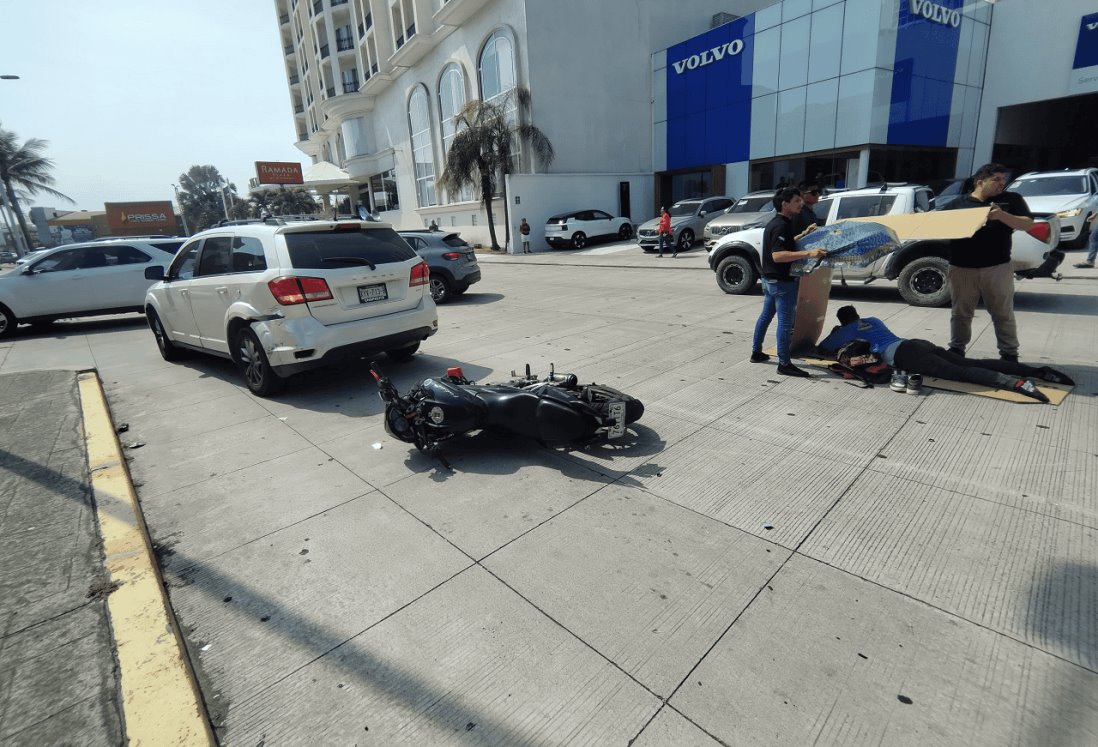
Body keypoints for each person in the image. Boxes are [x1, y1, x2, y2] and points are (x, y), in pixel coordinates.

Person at [817, 305, 1072, 402]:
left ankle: (1016, 383)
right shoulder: (872, 318)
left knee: (961, 373)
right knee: (971, 361)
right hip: (916, 343)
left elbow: (824, 348)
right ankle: (1038, 372)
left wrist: (837, 330)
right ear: (857, 314)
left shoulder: (847, 330)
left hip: (905, 356)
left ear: (844, 320)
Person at [941, 163, 1033, 362]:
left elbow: (1028, 224)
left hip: (997, 267)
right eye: (997, 179)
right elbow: (938, 227)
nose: (1003, 183)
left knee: (1002, 313)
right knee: (961, 313)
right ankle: (957, 349)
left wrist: (1001, 215)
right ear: (980, 182)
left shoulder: (1011, 200)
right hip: (962, 268)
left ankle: (1009, 354)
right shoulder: (957, 204)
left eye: (1003, 179)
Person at [750, 188, 827, 377]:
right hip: (782, 284)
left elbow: (786, 244)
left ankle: (756, 352)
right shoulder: (781, 226)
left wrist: (803, 234)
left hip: (770, 282)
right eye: (796, 201)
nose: (800, 204)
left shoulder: (777, 223)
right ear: (785, 205)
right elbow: (778, 255)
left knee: (765, 317)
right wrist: (809, 253)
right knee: (785, 324)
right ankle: (784, 364)